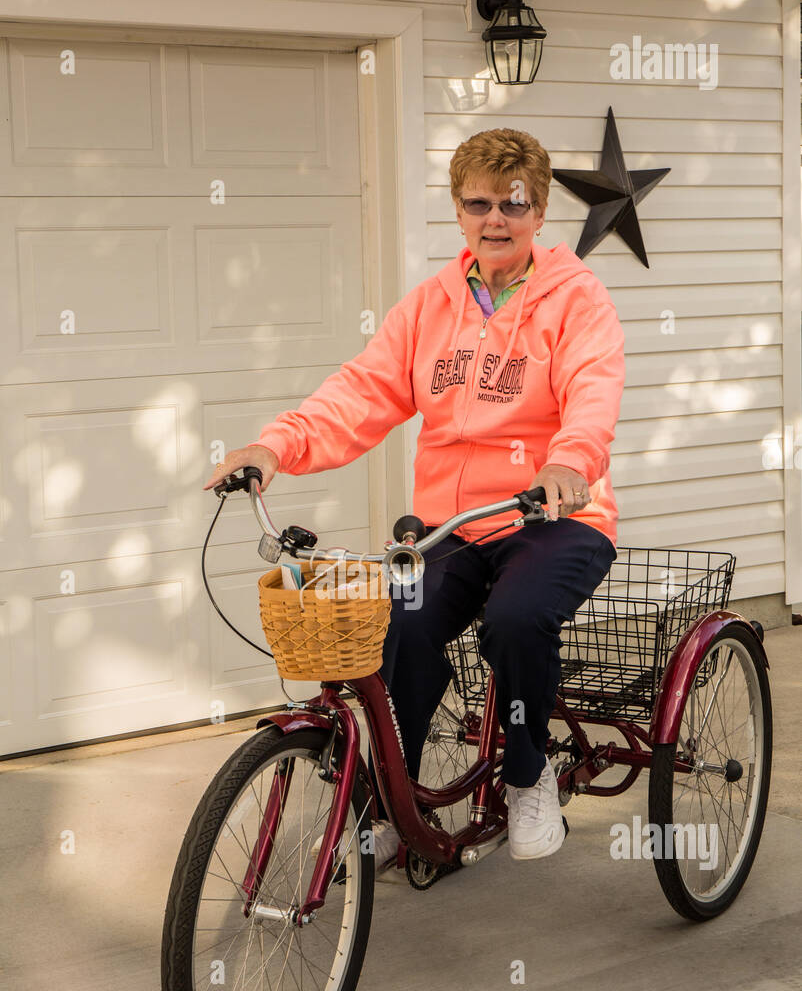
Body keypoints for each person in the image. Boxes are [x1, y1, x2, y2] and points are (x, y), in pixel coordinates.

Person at [207, 127, 624, 865]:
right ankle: (394, 803)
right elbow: (359, 393)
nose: (496, 219)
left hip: (554, 515)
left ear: (540, 209)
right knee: (396, 626)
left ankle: (527, 778)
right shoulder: (430, 307)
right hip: (452, 527)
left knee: (518, 620)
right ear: (459, 211)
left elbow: (592, 392)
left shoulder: (577, 301)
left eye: (513, 203)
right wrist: (278, 445)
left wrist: (569, 461)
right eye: (479, 203)